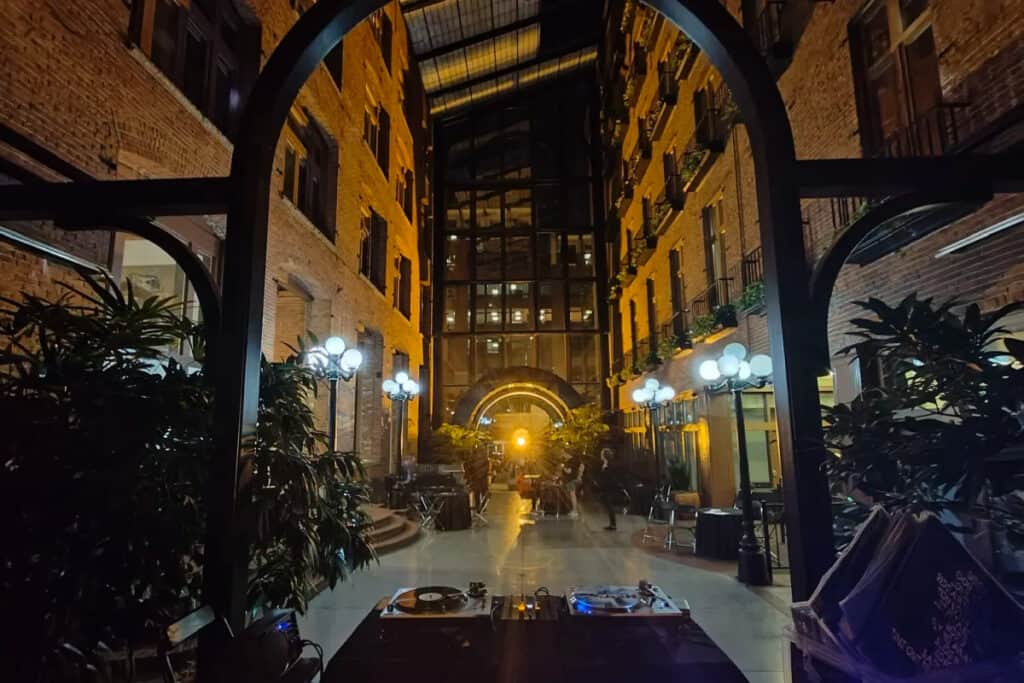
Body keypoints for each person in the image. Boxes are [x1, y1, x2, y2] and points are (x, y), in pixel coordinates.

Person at [595, 447, 619, 530]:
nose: (600, 455)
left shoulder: (610, 465)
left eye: (602, 454)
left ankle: (613, 525)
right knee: (608, 506)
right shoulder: (604, 464)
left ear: (605, 455)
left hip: (609, 488)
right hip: (605, 487)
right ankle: (612, 524)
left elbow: (611, 477)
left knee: (610, 506)